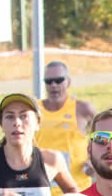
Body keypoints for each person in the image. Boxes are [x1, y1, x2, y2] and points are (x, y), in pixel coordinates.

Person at [39, 61, 96, 189]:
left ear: (68, 82)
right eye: (48, 81)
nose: (53, 85)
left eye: (59, 80)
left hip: (77, 188)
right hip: (43, 190)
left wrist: (93, 160)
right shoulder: (34, 111)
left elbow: (101, 138)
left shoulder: (83, 109)